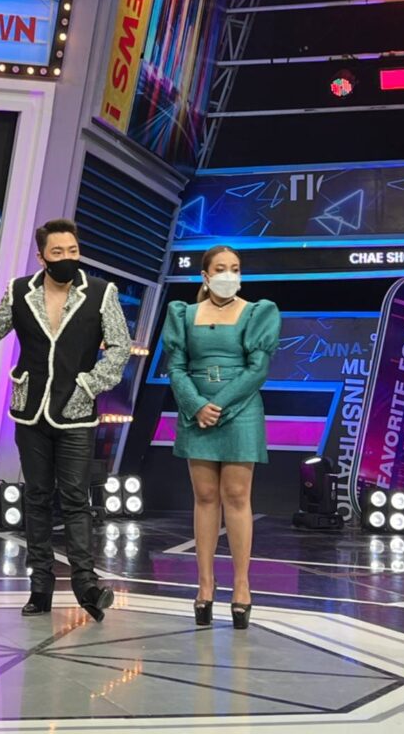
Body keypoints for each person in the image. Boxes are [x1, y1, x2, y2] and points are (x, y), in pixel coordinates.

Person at [0, 219, 130, 621]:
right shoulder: (19, 290)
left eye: (72, 251)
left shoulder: (101, 292)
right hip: (31, 408)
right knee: (37, 497)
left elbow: (119, 348)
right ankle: (39, 585)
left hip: (76, 410)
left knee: (76, 498)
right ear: (41, 257)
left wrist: (90, 385)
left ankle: (85, 584)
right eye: (58, 252)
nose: (67, 258)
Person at [159, 245, 280, 630]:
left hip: (240, 411)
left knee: (237, 496)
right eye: (221, 268)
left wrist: (219, 405)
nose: (229, 275)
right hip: (196, 413)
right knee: (206, 496)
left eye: (235, 268)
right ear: (205, 276)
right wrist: (197, 405)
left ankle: (242, 586)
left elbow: (257, 369)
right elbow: (176, 367)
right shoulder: (183, 314)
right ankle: (205, 585)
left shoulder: (258, 312)